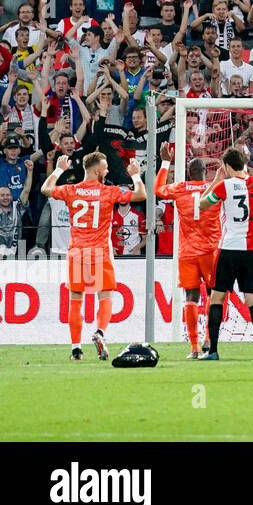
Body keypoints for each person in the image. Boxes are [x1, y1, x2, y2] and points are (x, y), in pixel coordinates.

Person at [41, 151, 145, 361]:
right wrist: (136, 175)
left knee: (76, 299)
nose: (107, 171)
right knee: (105, 295)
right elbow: (140, 195)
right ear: (97, 171)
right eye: (105, 168)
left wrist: (59, 169)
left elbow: (46, 189)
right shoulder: (108, 192)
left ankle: (76, 349)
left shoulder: (72, 190)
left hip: (77, 251)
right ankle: (99, 332)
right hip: (100, 251)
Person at [197, 146, 253, 361]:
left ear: (227, 166)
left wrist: (216, 180)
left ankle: (213, 351)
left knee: (217, 298)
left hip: (228, 249)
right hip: (251, 251)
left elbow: (202, 204)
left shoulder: (225, 186)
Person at [155, 150, 219, 359]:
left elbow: (158, 189)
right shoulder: (215, 188)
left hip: (187, 252)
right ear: (205, 172)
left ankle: (193, 347)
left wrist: (165, 162)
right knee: (213, 295)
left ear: (189, 173)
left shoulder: (181, 188)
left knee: (191, 297)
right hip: (211, 250)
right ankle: (209, 337)